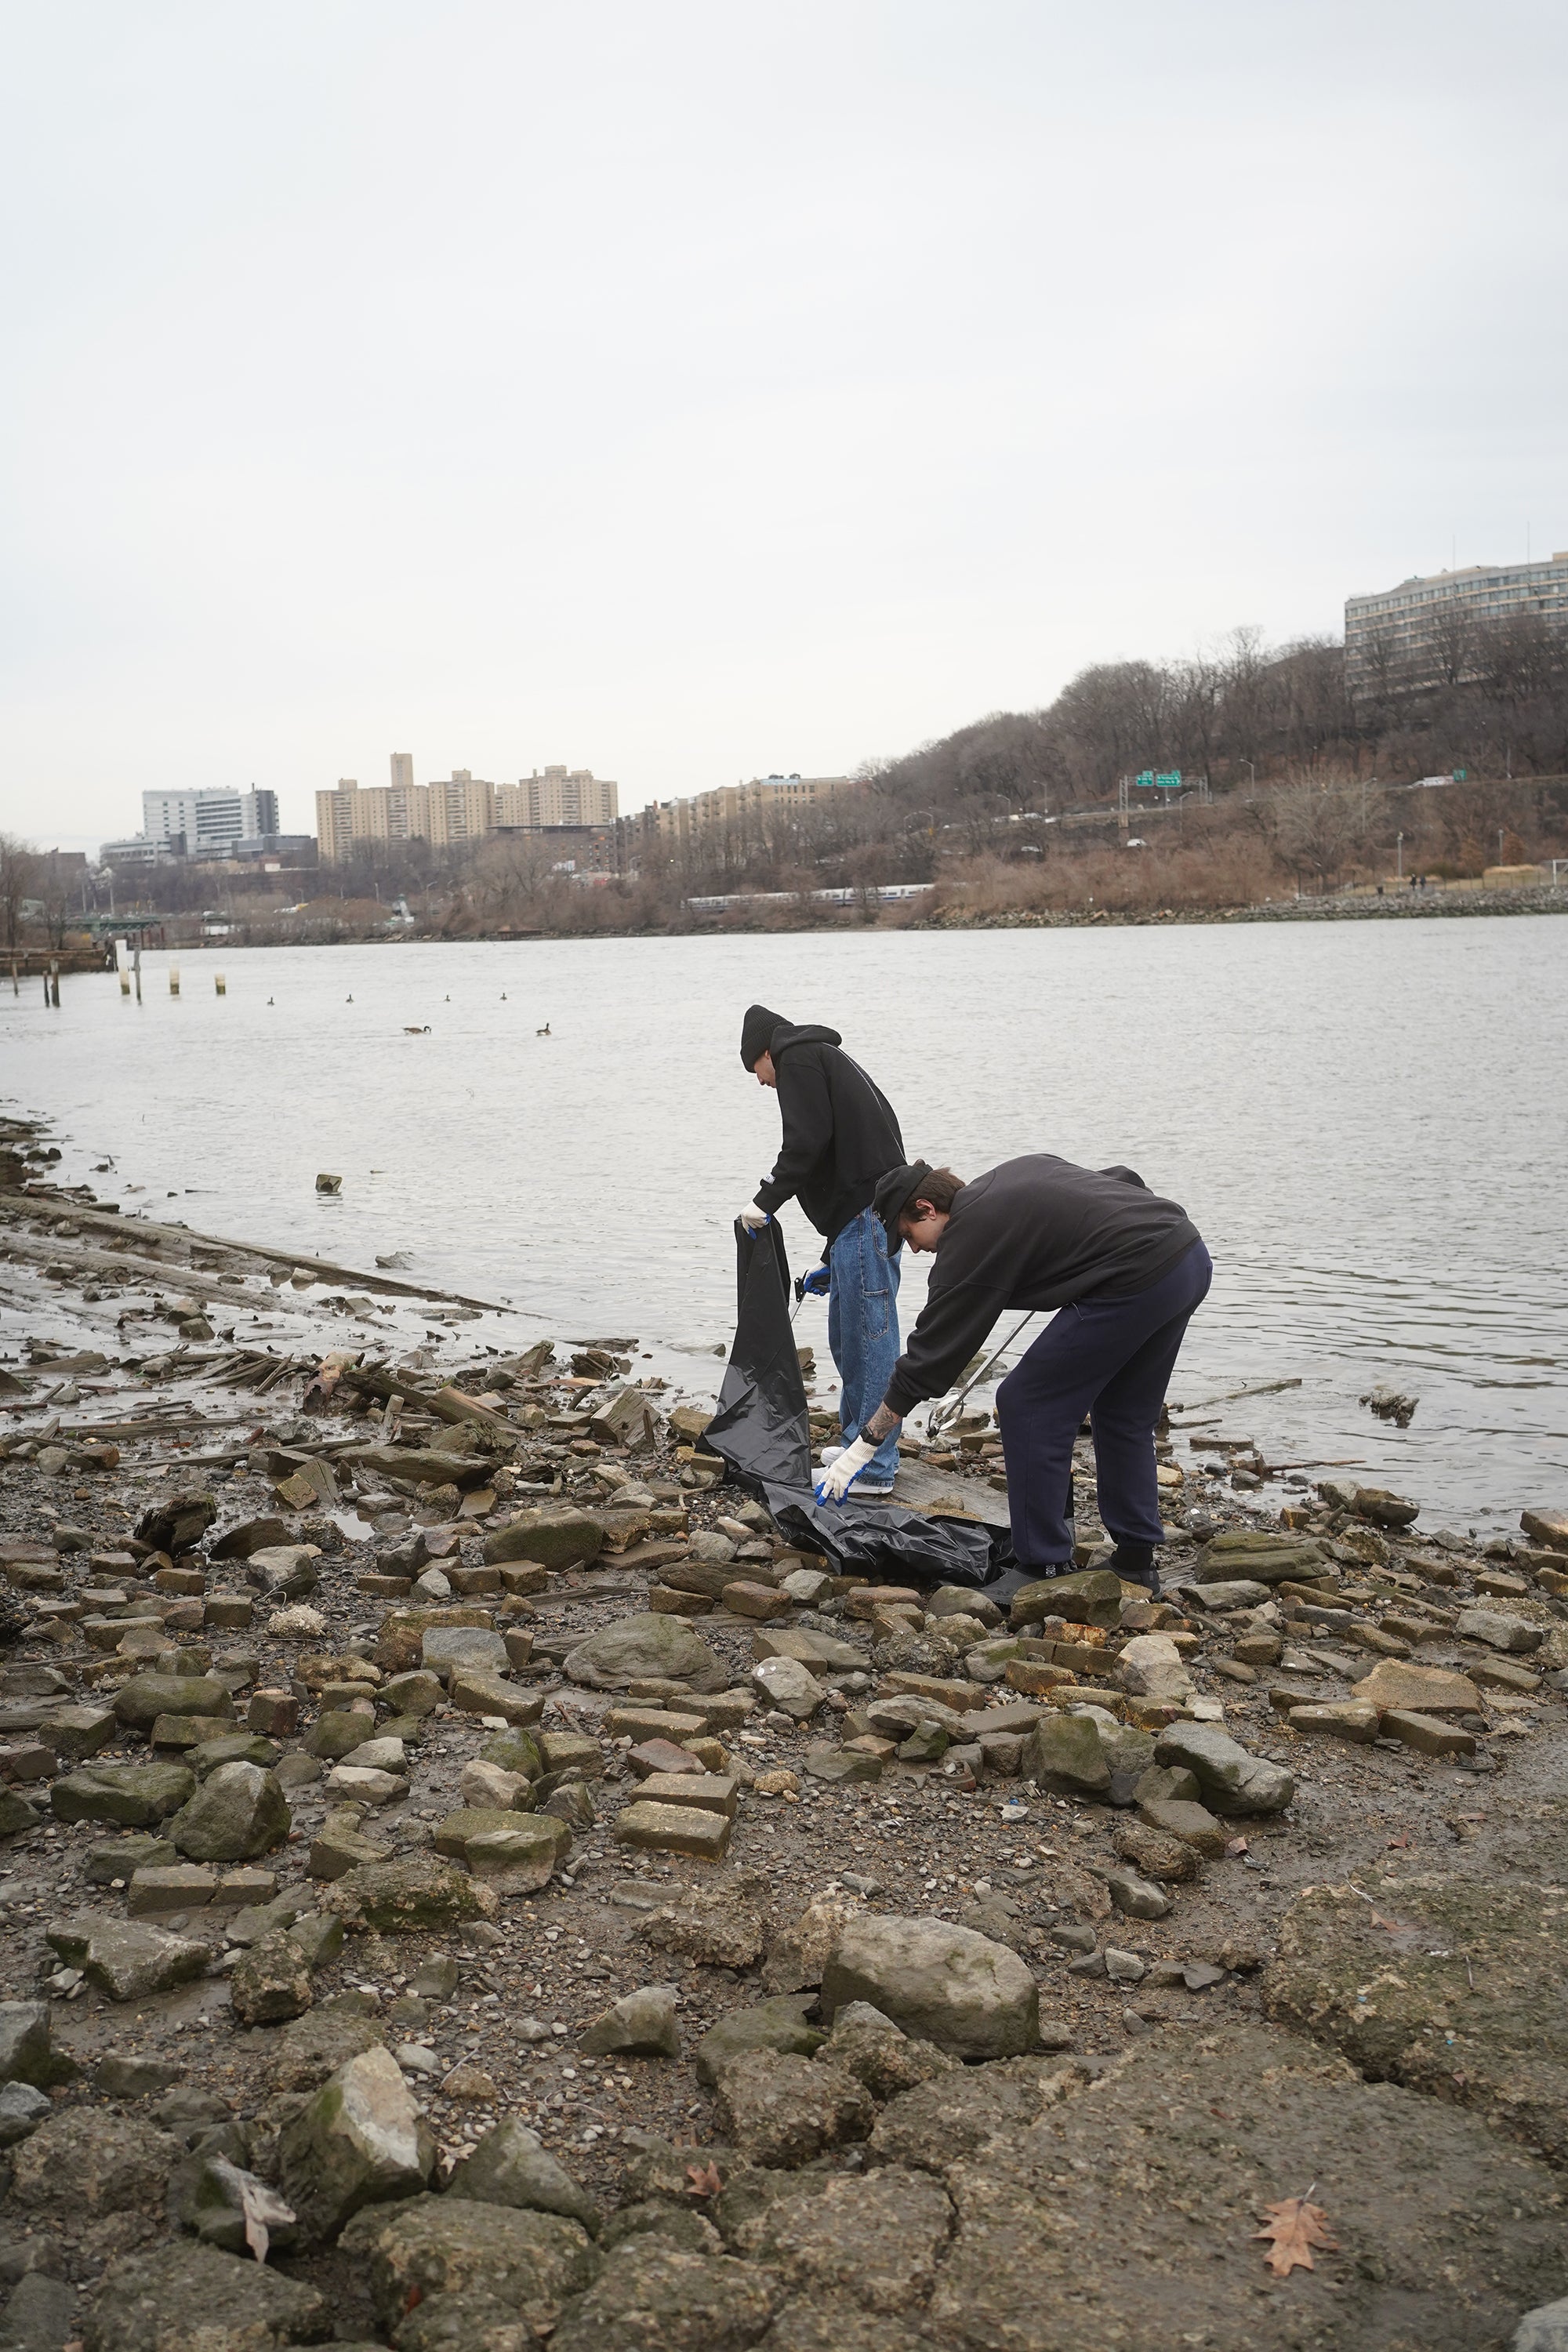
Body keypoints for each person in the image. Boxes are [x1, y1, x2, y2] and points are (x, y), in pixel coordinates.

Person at [815, 1153, 1211, 1595]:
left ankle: (1043, 1567)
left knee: (1027, 1403)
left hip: (1136, 1276)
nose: (915, 1249)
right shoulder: (1006, 1179)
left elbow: (928, 1359)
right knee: (1123, 1414)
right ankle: (1135, 1563)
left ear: (927, 1208)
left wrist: (863, 1446)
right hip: (1185, 1256)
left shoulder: (969, 1236)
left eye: (908, 1235)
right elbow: (1122, 1179)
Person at [739, 1004, 907, 1494]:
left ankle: (873, 1466)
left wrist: (764, 1201)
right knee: (847, 1336)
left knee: (869, 1341)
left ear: (766, 1053)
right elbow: (844, 1150)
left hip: (868, 1216)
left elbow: (806, 1145)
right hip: (861, 1220)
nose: (761, 1082)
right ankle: (859, 1438)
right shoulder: (824, 1059)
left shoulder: (798, 1059)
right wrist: (834, 1254)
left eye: (756, 1070)